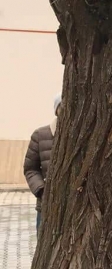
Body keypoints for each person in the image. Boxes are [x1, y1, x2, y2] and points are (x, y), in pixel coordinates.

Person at [24, 93, 60, 231]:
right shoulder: (40, 135)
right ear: (57, 110)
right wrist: (41, 190)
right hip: (46, 204)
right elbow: (30, 168)